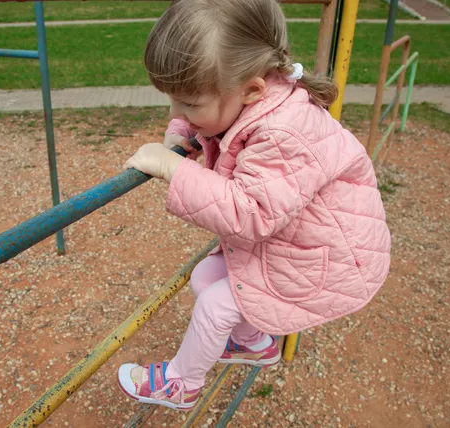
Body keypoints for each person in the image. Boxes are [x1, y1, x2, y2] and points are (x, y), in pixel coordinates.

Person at [117, 0, 391, 410]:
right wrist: (183, 132)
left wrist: (172, 167)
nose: (177, 112)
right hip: (302, 242)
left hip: (332, 261)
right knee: (205, 277)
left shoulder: (283, 131)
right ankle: (255, 343)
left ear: (252, 90)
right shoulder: (255, 97)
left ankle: (180, 384)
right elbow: (215, 123)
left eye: (189, 104)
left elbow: (251, 213)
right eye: (174, 101)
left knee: (214, 304)